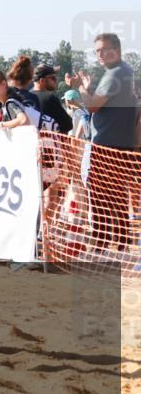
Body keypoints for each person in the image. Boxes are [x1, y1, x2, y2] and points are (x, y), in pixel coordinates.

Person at [65, 33, 139, 252]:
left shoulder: (115, 73)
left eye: (105, 49)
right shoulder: (121, 71)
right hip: (116, 143)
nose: (100, 54)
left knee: (100, 195)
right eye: (97, 50)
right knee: (114, 195)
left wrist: (79, 88)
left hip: (108, 144)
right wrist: (87, 89)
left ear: (116, 50)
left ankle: (101, 242)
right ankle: (120, 241)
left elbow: (93, 107)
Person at [32, 64, 72, 134]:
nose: (56, 80)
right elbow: (68, 125)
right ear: (42, 80)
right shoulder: (49, 98)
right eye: (52, 78)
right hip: (50, 142)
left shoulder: (26, 97)